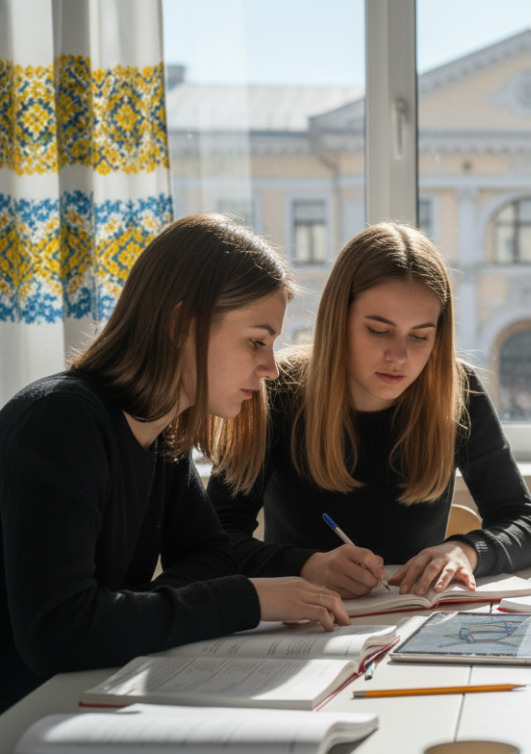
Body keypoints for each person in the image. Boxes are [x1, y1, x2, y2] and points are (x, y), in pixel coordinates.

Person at [0, 214, 351, 713]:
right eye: (257, 341)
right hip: (21, 721)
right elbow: (58, 634)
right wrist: (244, 600)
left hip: (78, 699)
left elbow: (211, 557)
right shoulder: (59, 422)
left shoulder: (163, 433)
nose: (272, 368)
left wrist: (129, 616)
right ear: (182, 326)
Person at [207, 221, 531, 599]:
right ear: (339, 320)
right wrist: (306, 565)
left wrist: (466, 551)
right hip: (305, 619)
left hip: (412, 617)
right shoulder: (275, 389)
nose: (399, 356)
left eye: (420, 336)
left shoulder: (457, 390)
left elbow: (528, 525)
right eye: (379, 330)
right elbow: (214, 540)